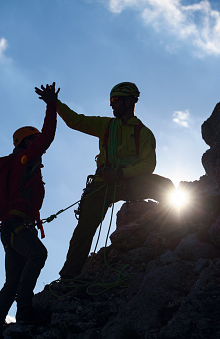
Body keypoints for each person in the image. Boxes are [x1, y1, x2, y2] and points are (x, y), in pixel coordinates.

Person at [56, 82, 175, 280]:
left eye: (115, 100)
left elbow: (148, 165)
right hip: (103, 184)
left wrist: (120, 174)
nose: (111, 105)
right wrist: (55, 103)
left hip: (127, 182)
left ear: (129, 102)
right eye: (111, 100)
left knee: (165, 187)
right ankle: (68, 277)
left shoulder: (144, 133)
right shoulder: (105, 125)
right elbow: (75, 121)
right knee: (84, 229)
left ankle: (169, 234)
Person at [0, 82, 59, 339]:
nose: (40, 143)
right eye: (34, 139)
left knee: (11, 282)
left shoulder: (18, 164)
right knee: (38, 253)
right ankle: (25, 309)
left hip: (9, 229)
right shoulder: (24, 159)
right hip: (17, 226)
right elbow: (47, 137)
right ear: (27, 142)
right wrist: (51, 105)